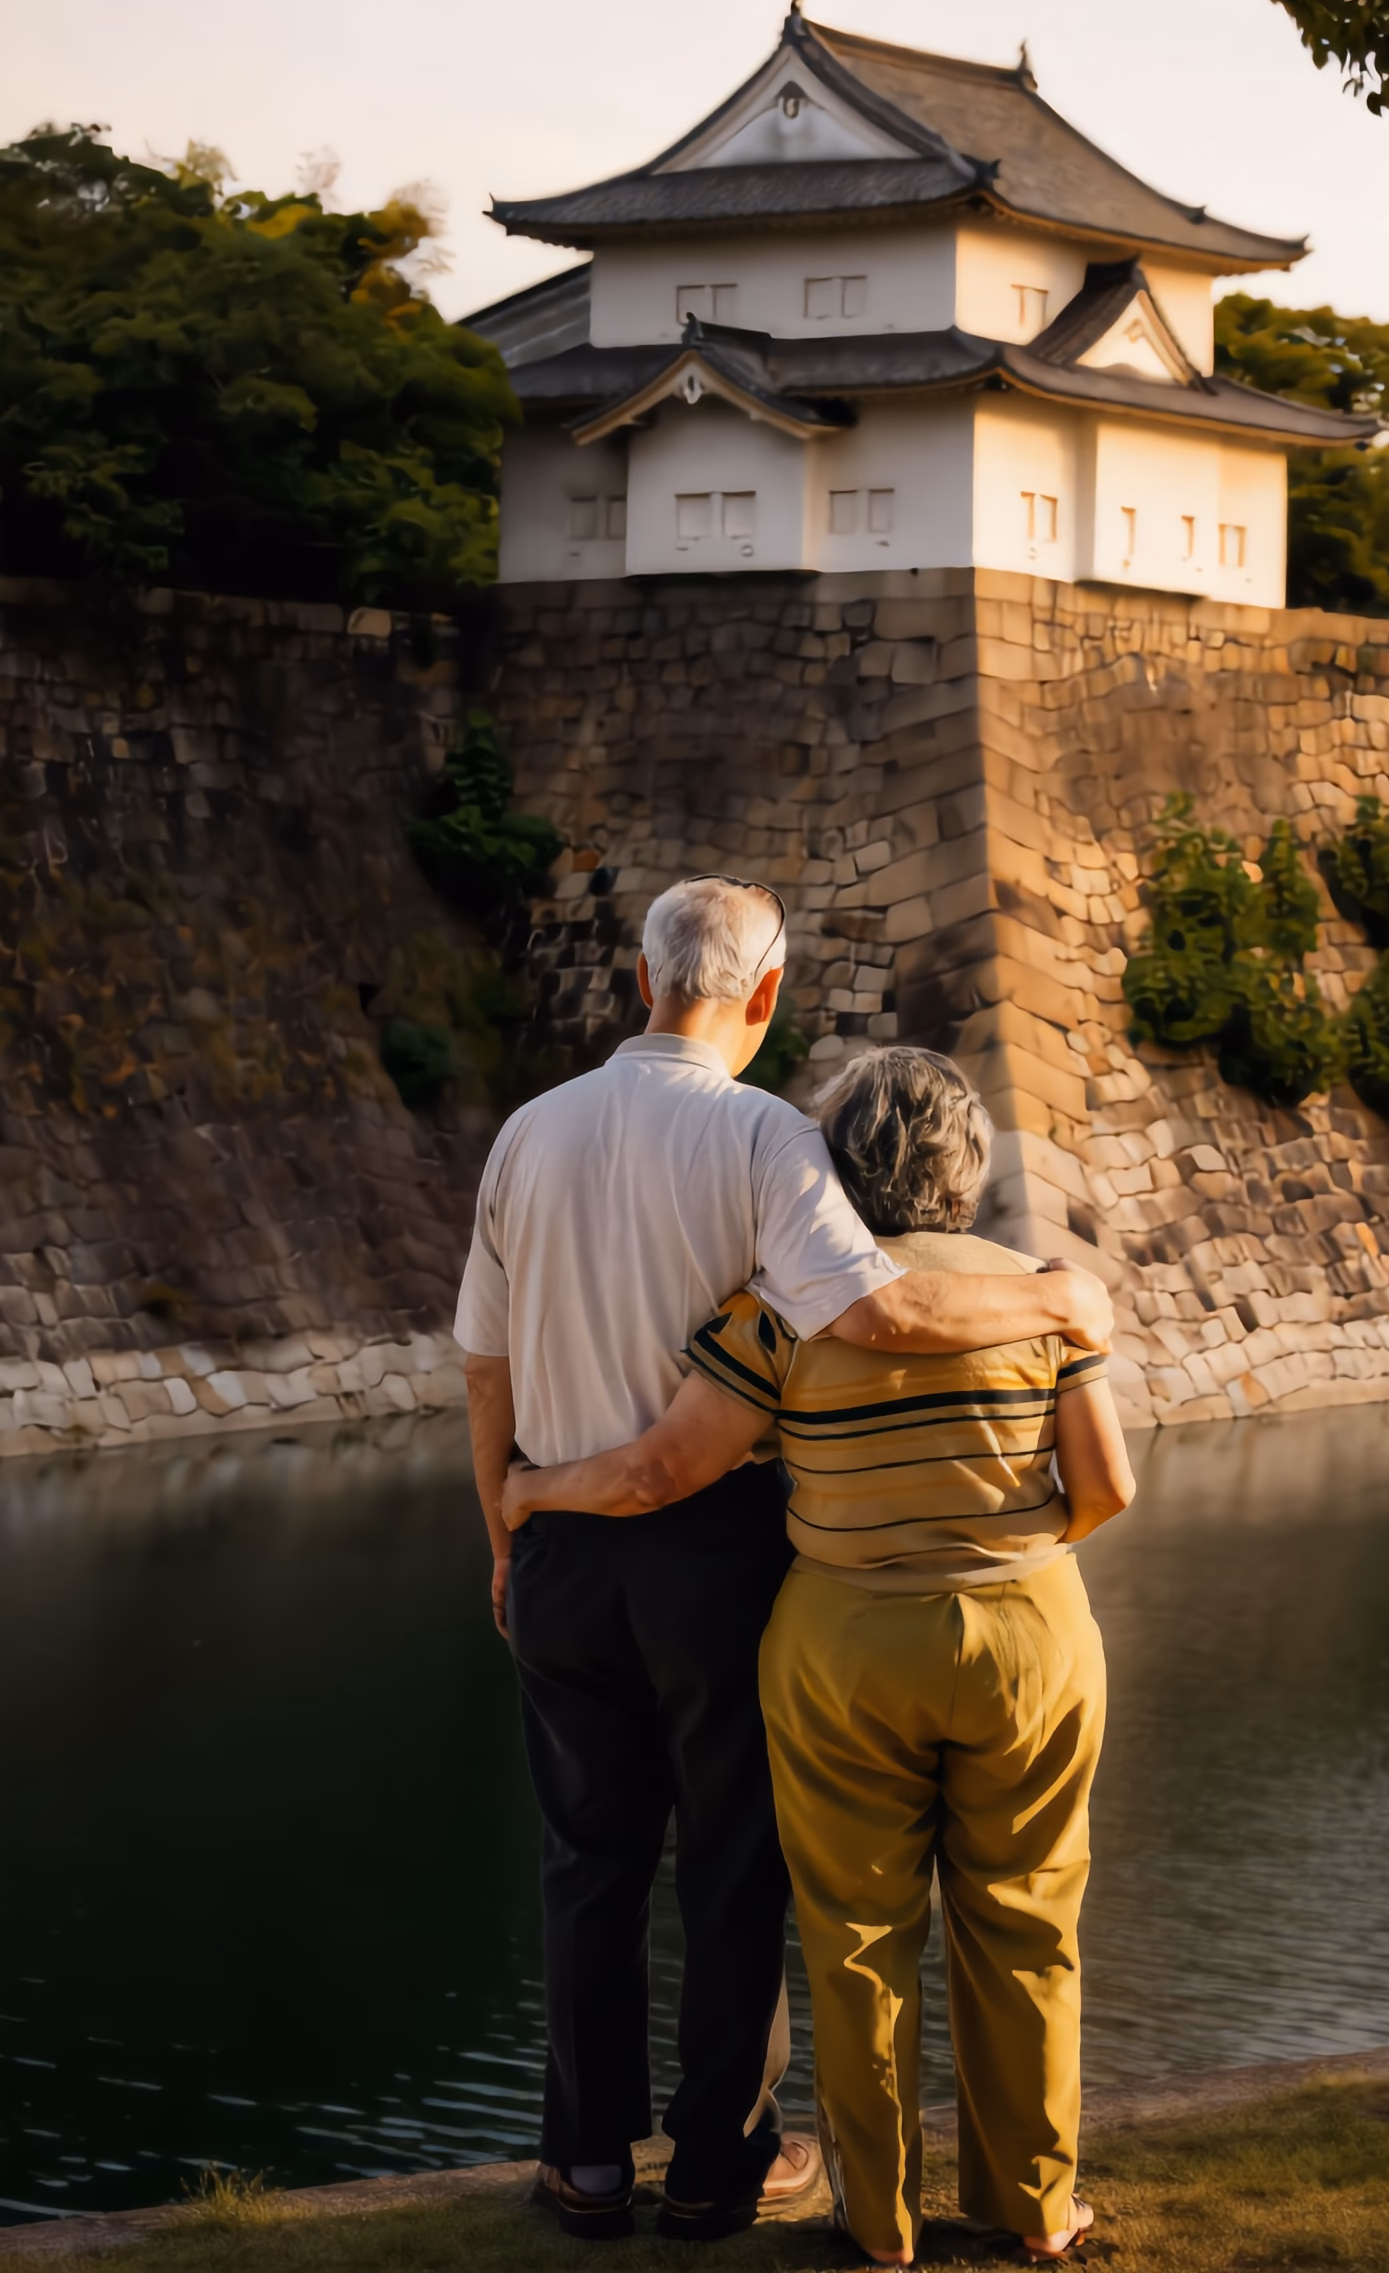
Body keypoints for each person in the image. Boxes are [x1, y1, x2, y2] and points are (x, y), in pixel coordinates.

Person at [456, 879, 1116, 2243]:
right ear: (760, 998)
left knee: (588, 1860)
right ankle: (715, 2169)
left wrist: (503, 1524)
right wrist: (1054, 1301)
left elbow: (485, 1361)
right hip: (715, 1552)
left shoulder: (526, 1132)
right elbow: (876, 1307)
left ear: (644, 984)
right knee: (732, 1863)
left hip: (563, 1544)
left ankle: (582, 2167)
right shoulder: (766, 1137)